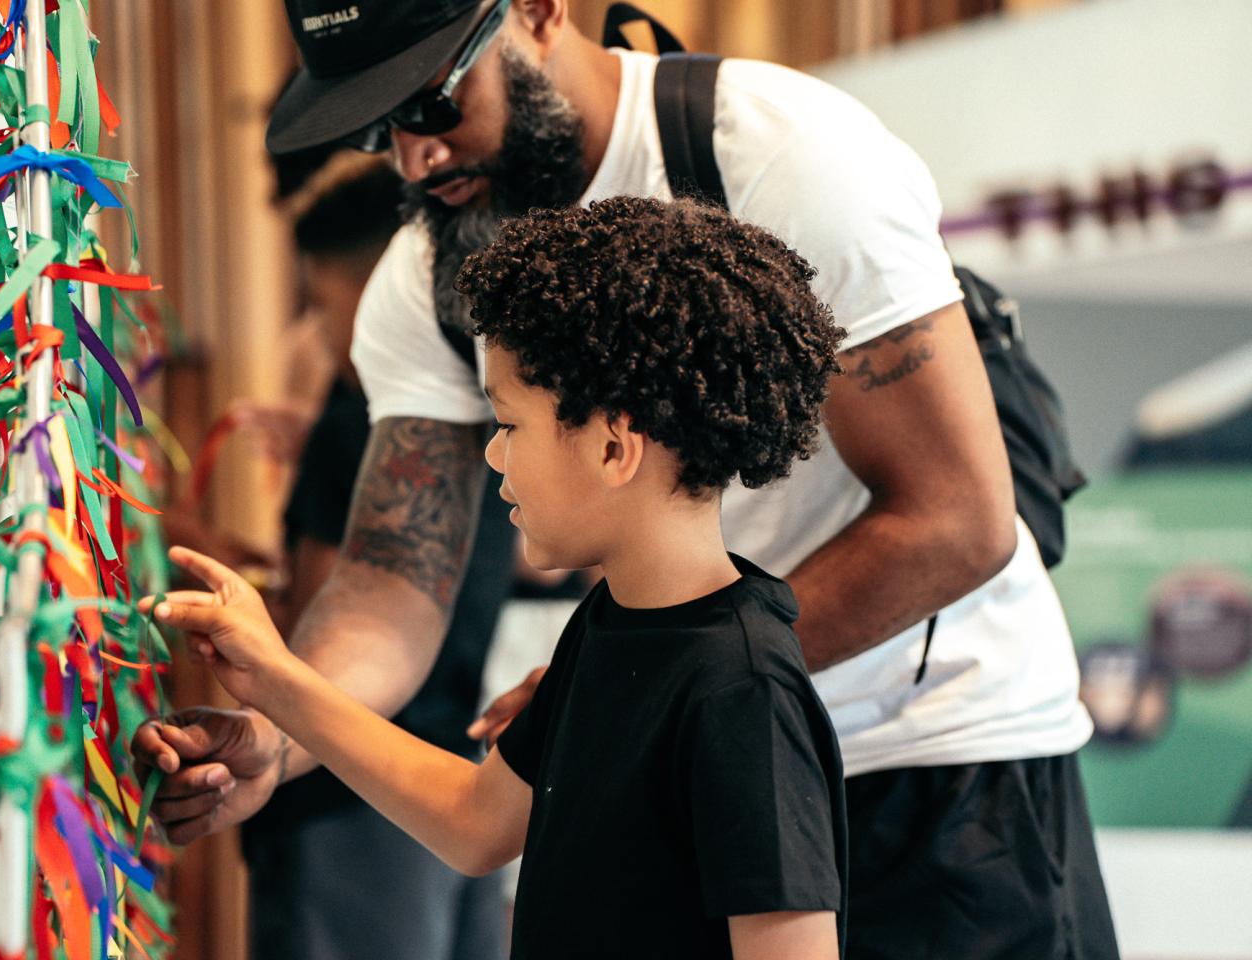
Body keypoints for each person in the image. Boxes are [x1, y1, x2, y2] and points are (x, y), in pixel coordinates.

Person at [136, 2, 1119, 957]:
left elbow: (957, 520)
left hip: (937, 765)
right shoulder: (429, 274)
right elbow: (396, 578)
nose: (413, 156)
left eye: (431, 102)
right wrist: (275, 729)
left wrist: (642, 693)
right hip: (678, 758)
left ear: (538, 12)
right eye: (377, 130)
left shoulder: (785, 156)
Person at [145, 196, 849, 960]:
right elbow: (474, 821)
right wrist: (274, 683)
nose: (492, 456)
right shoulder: (608, 625)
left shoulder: (743, 693)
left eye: (509, 427)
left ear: (615, 448)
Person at [218, 155, 515, 960]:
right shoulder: (494, 417)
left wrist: (213, 573)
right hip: (455, 777)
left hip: (344, 789)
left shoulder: (358, 422)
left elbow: (313, 623)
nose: (321, 330)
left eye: (321, 302)